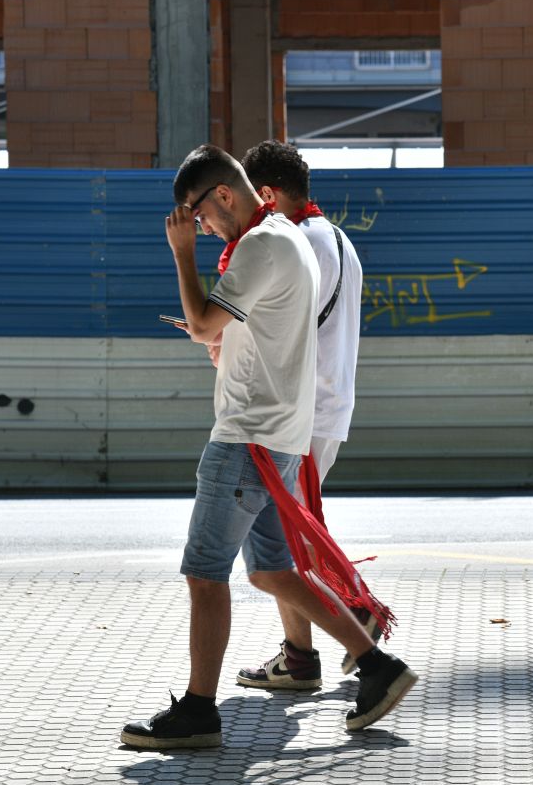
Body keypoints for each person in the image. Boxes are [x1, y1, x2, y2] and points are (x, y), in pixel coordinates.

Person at [120, 145, 416, 749]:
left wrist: (180, 258)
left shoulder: (259, 246)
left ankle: (200, 711)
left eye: (197, 216)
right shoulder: (287, 236)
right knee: (276, 572)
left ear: (224, 196)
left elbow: (206, 321)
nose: (197, 228)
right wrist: (226, 349)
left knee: (204, 574)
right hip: (277, 437)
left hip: (246, 438)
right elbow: (256, 333)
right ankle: (378, 668)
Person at [229, 139, 381, 692]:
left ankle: (349, 620)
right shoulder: (336, 238)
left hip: (296, 412)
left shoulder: (294, 242)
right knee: (289, 536)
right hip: (326, 409)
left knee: (279, 543)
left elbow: (277, 329)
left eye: (245, 198)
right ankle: (303, 652)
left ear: (266, 194)